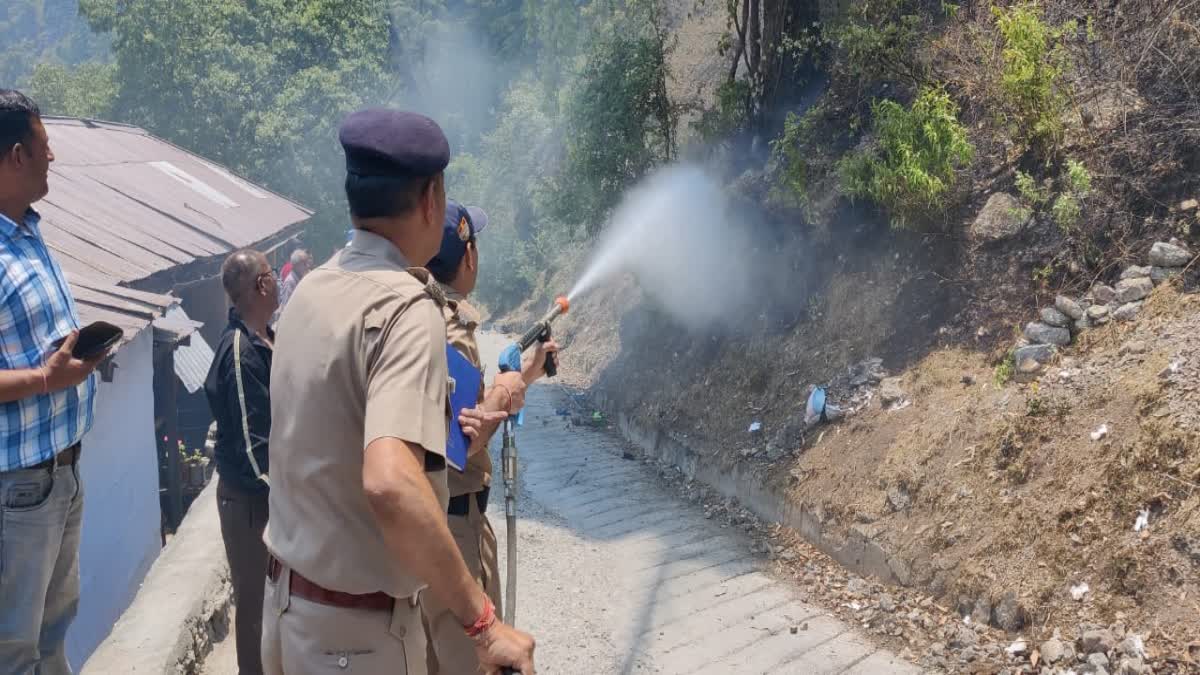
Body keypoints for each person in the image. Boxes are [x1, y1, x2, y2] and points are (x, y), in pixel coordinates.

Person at [262, 108, 537, 675]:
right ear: (432, 197)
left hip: (289, 614)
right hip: (358, 640)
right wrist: (482, 624)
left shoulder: (311, 292)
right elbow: (391, 482)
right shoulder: (406, 310)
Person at [421, 201, 558, 675]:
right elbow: (461, 445)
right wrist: (504, 388)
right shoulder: (449, 325)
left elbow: (464, 415)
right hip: (455, 524)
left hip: (436, 523)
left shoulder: (418, 310)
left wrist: (525, 375)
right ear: (469, 255)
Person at [0, 89, 105, 674]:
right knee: (14, 648)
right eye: (43, 146)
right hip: (19, 487)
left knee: (52, 634)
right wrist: (46, 377)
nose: (53, 157)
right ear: (15, 155)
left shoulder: (26, 229)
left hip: (61, 470)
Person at [204, 249, 278, 675]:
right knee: (255, 612)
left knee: (276, 604)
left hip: (267, 497)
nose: (278, 282)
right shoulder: (238, 350)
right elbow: (254, 446)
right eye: (272, 274)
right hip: (251, 502)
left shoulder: (265, 337)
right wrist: (285, 493)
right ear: (261, 285)